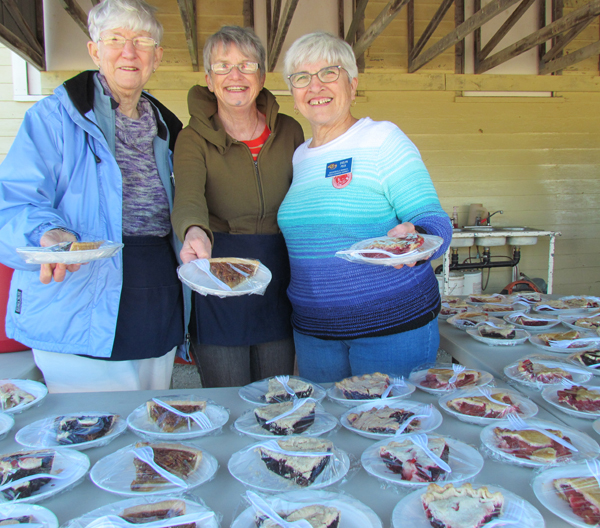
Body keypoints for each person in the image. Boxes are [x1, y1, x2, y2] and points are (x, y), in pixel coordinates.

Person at [0, 0, 185, 392]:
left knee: (151, 427)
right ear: (94, 50)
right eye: (115, 38)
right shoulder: (54, 117)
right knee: (86, 430)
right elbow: (12, 203)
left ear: (158, 56)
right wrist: (48, 235)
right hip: (77, 300)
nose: (129, 51)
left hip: (156, 299)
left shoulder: (170, 128)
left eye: (142, 40)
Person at [278, 32, 453, 382]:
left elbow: (436, 223)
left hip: (392, 326)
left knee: (389, 432)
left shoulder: (381, 139)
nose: (315, 86)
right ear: (294, 97)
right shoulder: (299, 157)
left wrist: (418, 237)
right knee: (327, 434)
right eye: (302, 78)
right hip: (315, 334)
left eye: (329, 72)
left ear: (353, 85)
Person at [171, 26, 304, 387]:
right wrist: (193, 230)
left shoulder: (290, 131)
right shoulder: (192, 138)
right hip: (219, 273)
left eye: (246, 65)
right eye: (223, 66)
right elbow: (188, 196)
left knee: (277, 396)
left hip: (279, 275)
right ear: (208, 79)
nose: (235, 76)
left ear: (261, 77)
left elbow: (305, 196)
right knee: (228, 398)